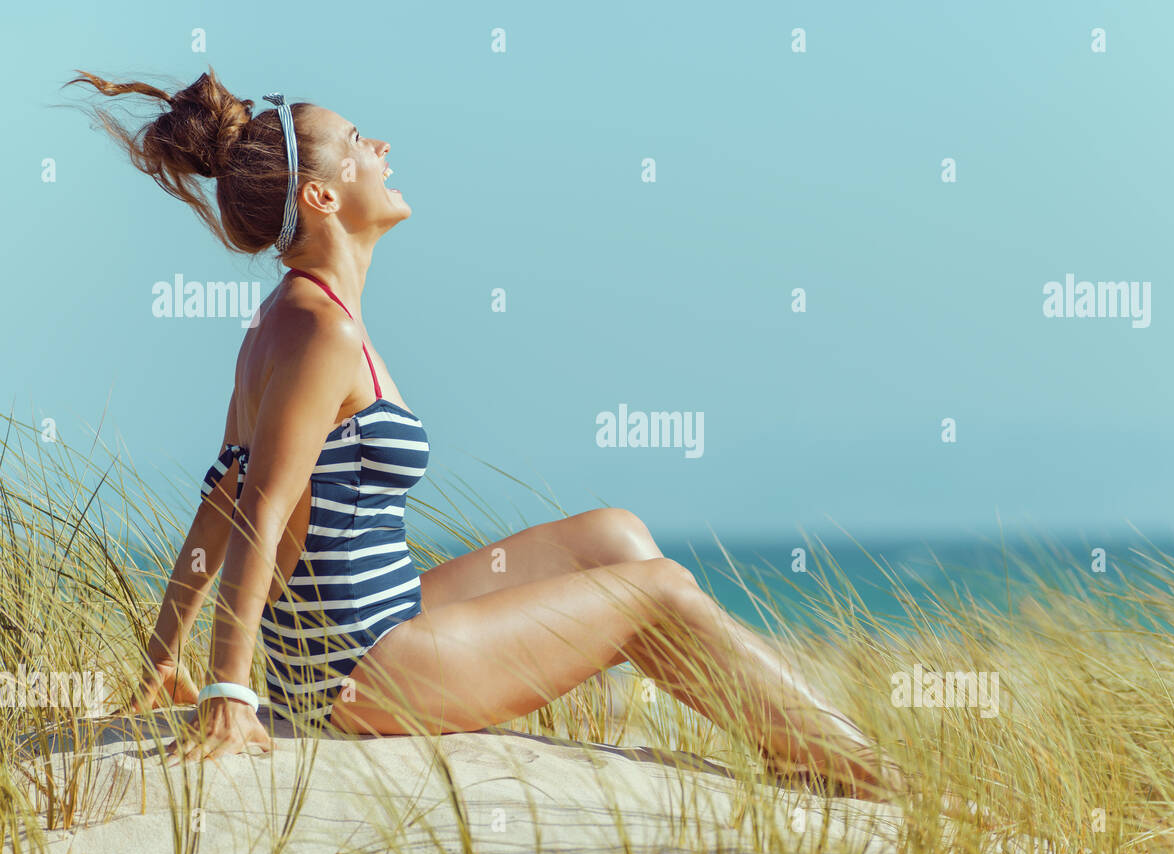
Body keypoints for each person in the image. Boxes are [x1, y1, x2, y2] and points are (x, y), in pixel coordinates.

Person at [70, 67, 904, 799]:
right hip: (360, 670)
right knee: (660, 594)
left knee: (618, 539)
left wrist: (160, 660)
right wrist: (227, 691)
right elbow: (257, 506)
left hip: (359, 636)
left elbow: (220, 491)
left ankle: (796, 749)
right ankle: (873, 777)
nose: (383, 147)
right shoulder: (322, 334)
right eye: (359, 142)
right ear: (323, 197)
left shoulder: (284, 320)